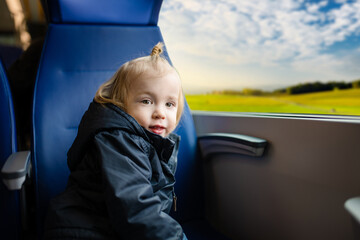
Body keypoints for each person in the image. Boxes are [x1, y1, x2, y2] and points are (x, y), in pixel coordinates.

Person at [44, 42, 187, 240]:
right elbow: (135, 208)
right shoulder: (119, 140)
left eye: (170, 104)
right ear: (121, 104)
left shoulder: (152, 142)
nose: (160, 113)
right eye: (146, 101)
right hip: (81, 231)